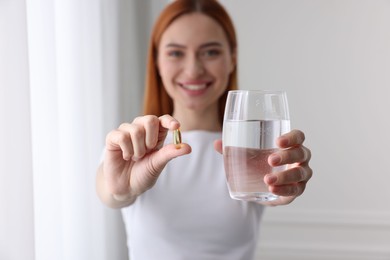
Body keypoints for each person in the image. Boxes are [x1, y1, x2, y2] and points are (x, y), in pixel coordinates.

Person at [96, 0, 312, 259]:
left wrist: (283, 185)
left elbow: (271, 192)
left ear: (232, 58)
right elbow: (111, 192)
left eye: (210, 52)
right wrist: (120, 189)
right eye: (176, 53)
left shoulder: (252, 154)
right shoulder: (133, 148)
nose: (193, 69)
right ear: (156, 61)